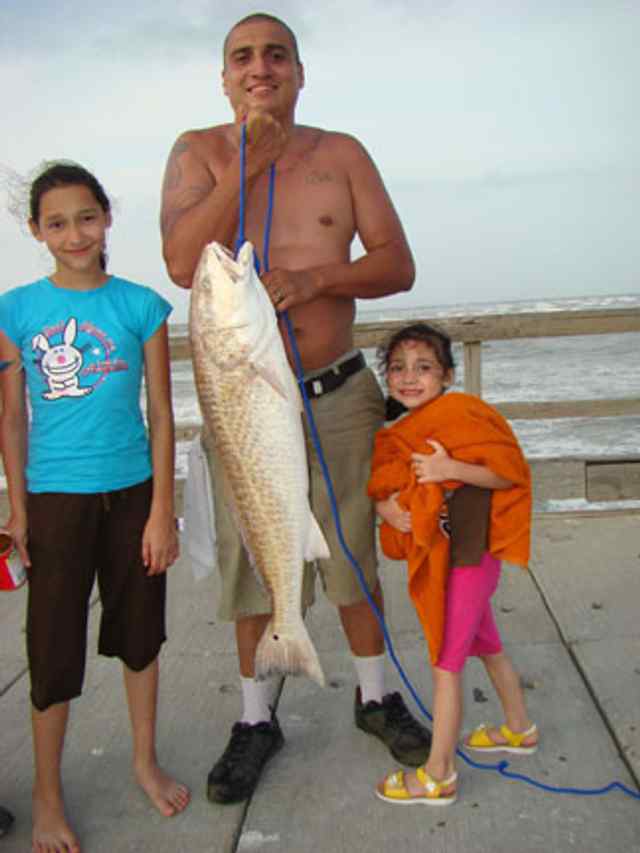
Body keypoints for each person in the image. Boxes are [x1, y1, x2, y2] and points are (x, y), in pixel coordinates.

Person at [161, 13, 432, 804]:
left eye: (276, 55)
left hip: (339, 392)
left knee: (352, 553)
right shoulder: (197, 152)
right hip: (243, 403)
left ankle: (375, 696)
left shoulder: (342, 153)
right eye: (242, 57)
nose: (260, 68)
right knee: (253, 565)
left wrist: (316, 282)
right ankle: (255, 718)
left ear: (300, 71)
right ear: (223, 77)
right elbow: (184, 262)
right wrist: (251, 159)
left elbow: (397, 263)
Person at [0, 161, 190, 852]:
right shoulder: (15, 309)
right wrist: (17, 509)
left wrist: (161, 508)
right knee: (51, 652)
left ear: (107, 217)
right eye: (57, 222)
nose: (74, 233)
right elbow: (12, 418)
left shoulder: (140, 305)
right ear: (36, 231)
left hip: (133, 491)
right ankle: (48, 792)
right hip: (54, 499)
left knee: (141, 635)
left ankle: (144, 759)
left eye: (86, 217)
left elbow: (163, 415)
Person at [368, 323, 536, 806]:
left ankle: (438, 773)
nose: (409, 378)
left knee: (446, 662)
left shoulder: (466, 413)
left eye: (424, 368)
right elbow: (385, 485)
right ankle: (519, 728)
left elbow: (508, 473)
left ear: (446, 374)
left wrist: (451, 470)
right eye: (397, 368)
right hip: (447, 554)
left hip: (470, 555)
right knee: (487, 643)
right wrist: (386, 509)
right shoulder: (399, 431)